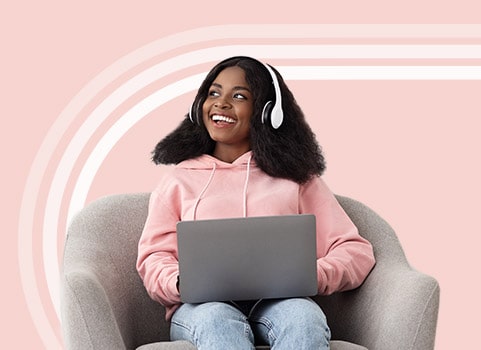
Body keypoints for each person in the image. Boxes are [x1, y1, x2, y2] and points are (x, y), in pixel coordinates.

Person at [136, 56, 376, 349]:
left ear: (266, 112)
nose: (221, 103)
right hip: (203, 307)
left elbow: (355, 251)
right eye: (213, 93)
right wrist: (178, 282)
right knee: (218, 322)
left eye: (238, 96)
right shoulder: (178, 180)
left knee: (303, 319)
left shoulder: (298, 179)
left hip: (280, 302)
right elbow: (153, 257)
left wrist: (313, 275)